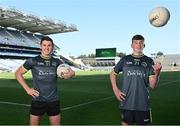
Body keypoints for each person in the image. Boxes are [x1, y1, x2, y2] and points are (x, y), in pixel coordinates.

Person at [15, 36, 75, 125]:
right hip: (38, 100)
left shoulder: (57, 62)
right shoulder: (32, 61)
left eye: (49, 45)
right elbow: (18, 73)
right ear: (40, 46)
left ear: (52, 47)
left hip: (53, 100)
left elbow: (71, 72)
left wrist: (71, 74)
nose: (47, 48)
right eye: (44, 45)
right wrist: (27, 89)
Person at [110, 34, 162, 125]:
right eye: (136, 43)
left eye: (141, 43)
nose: (138, 45)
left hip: (143, 104)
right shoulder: (125, 60)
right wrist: (115, 89)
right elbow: (112, 74)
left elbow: (152, 85)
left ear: (144, 45)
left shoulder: (149, 61)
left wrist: (157, 72)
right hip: (126, 103)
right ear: (131, 45)